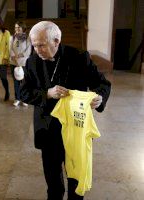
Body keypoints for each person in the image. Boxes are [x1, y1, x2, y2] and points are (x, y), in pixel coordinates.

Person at [20, 21, 111, 200]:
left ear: (56, 40)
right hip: (47, 130)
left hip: (75, 130)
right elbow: (23, 92)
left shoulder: (78, 57)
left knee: (75, 182)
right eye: (34, 45)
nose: (37, 50)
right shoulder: (31, 62)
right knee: (53, 184)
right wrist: (47, 93)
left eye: (41, 45)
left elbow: (102, 84)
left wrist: (99, 97)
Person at [9, 21, 31, 107]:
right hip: (13, 62)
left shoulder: (28, 38)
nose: (17, 29)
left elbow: (28, 51)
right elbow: (10, 49)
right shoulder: (12, 38)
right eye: (16, 28)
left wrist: (19, 56)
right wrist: (14, 57)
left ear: (23, 28)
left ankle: (24, 99)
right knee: (16, 82)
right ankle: (17, 98)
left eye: (19, 27)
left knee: (24, 82)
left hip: (24, 63)